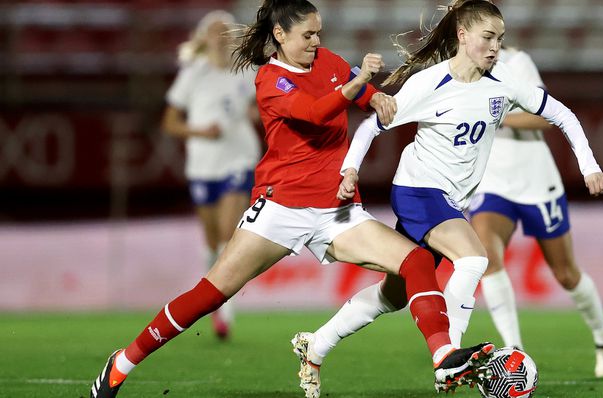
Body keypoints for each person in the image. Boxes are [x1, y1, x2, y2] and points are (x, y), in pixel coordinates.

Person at [89, 1, 493, 397]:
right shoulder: (271, 78)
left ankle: (444, 356)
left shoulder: (329, 61)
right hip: (280, 208)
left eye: (319, 33)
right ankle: (122, 363)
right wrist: (357, 86)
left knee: (417, 260)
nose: (316, 41)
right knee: (211, 294)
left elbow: (351, 82)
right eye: (307, 34)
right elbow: (316, 112)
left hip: (336, 212)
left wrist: (371, 96)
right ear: (280, 35)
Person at [290, 1, 603, 396]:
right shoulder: (432, 83)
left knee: (394, 295)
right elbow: (372, 126)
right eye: (487, 37)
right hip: (418, 190)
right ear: (462, 36)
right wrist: (349, 170)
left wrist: (588, 165)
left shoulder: (505, 80)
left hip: (450, 200)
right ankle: (449, 359)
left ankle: (315, 346)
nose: (495, 47)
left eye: (500, 39)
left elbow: (561, 114)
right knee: (475, 258)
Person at [467, 45, 603, 377]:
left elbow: (541, 118)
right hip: (490, 182)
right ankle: (514, 351)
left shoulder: (515, 61)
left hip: (535, 181)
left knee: (566, 274)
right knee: (487, 258)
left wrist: (494, 116)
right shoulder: (450, 67)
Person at [161, 10, 261, 340]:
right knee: (210, 241)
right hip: (203, 164)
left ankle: (225, 312)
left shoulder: (245, 73)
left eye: (226, 31)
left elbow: (264, 107)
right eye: (215, 31)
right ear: (204, 37)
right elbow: (170, 122)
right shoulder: (193, 74)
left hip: (239, 157)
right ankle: (213, 299)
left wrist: (255, 112)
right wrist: (201, 132)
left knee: (225, 233)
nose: (221, 36)